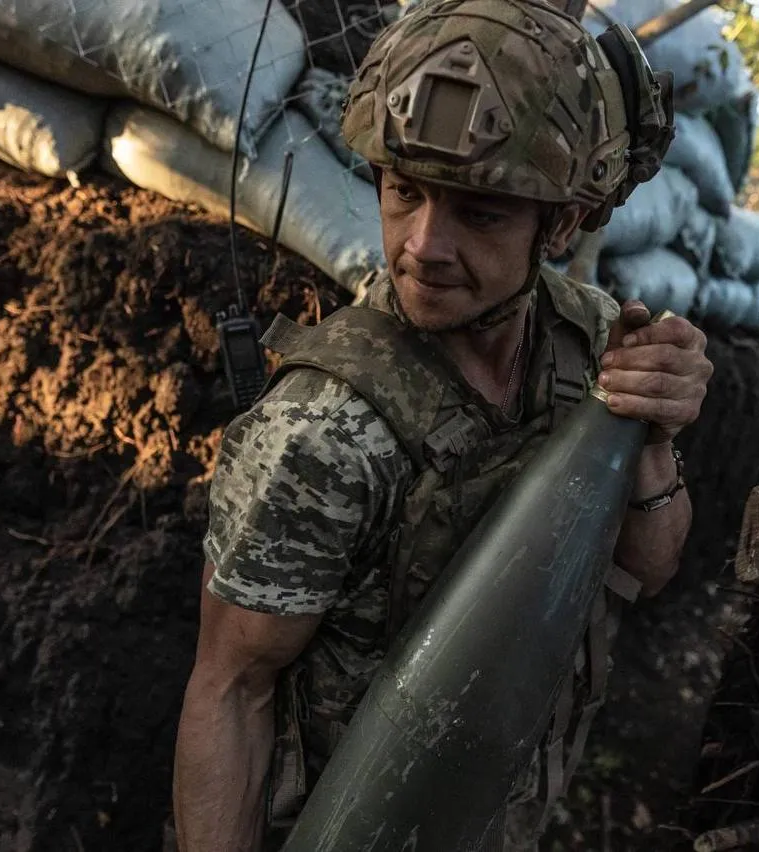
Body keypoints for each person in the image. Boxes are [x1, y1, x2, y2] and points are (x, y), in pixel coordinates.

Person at [172, 1, 714, 849]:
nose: (424, 244)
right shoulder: (320, 436)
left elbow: (651, 565)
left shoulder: (589, 341)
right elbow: (231, 690)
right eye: (404, 192)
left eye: (482, 212)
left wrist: (653, 433)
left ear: (564, 221)